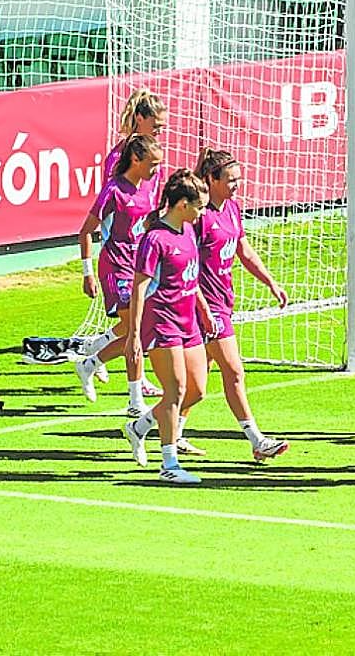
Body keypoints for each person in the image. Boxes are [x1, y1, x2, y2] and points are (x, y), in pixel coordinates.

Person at [177, 148, 290, 461]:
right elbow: (186, 264)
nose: (237, 185)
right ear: (211, 180)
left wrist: (271, 282)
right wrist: (202, 307)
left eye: (239, 180)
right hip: (205, 306)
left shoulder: (232, 209)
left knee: (198, 382)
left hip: (223, 302)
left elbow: (244, 250)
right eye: (231, 180)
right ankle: (256, 439)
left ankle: (158, 429)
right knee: (234, 371)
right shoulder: (197, 218)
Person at [121, 169, 214, 484]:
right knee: (175, 391)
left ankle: (140, 426)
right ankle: (169, 464)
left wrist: (203, 310)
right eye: (198, 206)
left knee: (197, 390)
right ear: (182, 204)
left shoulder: (187, 231)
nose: (202, 213)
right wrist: (133, 335)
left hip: (189, 324)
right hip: (163, 323)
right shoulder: (154, 239)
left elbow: (190, 275)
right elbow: (139, 288)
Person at [74, 134, 165, 412]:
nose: (156, 170)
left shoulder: (149, 187)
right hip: (115, 268)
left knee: (135, 331)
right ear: (135, 160)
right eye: (152, 164)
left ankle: (91, 359)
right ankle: (135, 402)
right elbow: (85, 231)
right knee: (134, 328)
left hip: (139, 268)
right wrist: (87, 272)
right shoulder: (114, 190)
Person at [102, 88, 167, 201]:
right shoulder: (118, 156)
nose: (160, 132)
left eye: (162, 127)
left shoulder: (154, 153)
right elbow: (106, 201)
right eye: (156, 126)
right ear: (139, 118)